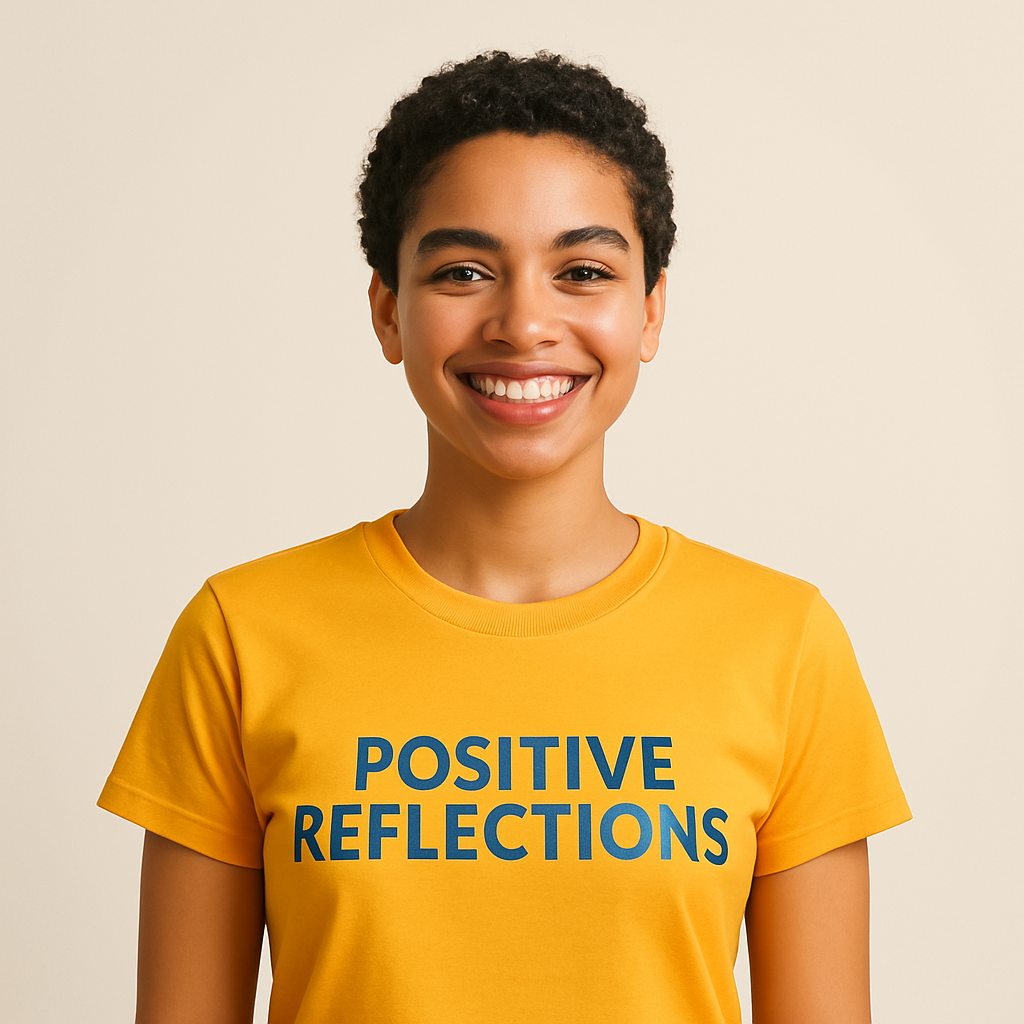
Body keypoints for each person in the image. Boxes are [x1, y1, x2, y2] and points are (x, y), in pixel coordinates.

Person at [99, 51, 911, 1023]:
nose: (524, 322)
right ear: (388, 310)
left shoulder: (784, 644)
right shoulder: (240, 633)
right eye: (464, 270)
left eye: (582, 271)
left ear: (648, 309)